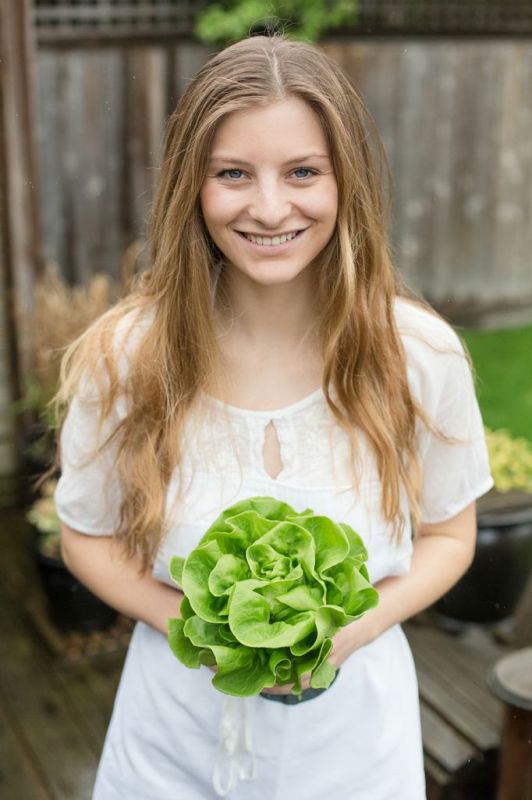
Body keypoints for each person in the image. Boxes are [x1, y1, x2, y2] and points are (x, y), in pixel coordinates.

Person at [54, 33, 494, 800]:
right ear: (191, 186)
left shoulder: (420, 355)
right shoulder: (124, 357)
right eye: (232, 174)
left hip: (354, 756)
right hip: (169, 754)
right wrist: (195, 630)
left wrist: (345, 633)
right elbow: (85, 534)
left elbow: (451, 535)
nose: (268, 207)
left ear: (345, 179)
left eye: (301, 172)